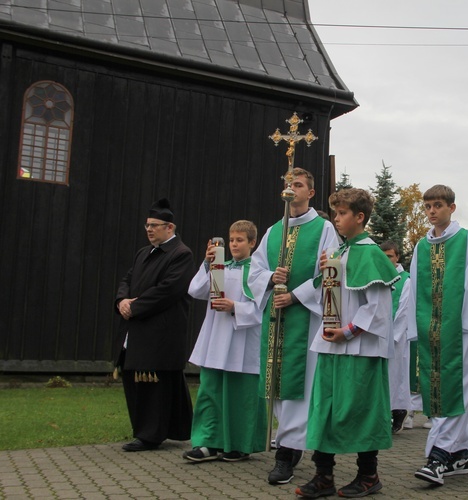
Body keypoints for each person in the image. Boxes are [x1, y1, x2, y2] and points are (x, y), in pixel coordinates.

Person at [296, 188, 399, 498]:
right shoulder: (338, 253)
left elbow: (379, 309)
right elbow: (324, 296)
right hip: (331, 346)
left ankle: (369, 474)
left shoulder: (371, 254)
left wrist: (348, 331)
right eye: (336, 213)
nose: (337, 219)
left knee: (359, 410)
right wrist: (327, 270)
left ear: (360, 217)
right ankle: (323, 475)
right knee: (324, 409)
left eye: (341, 214)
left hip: (360, 349)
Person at [248, 168, 339, 485]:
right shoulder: (273, 231)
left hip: (306, 320)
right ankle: (290, 443)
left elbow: (331, 271)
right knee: (277, 387)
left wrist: (297, 296)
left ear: (310, 193)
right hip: (275, 320)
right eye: (288, 184)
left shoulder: (324, 228)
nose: (292, 189)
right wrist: (271, 279)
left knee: (300, 390)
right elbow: (255, 271)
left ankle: (286, 453)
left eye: (298, 185)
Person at [409, 185, 468, 486]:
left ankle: (439, 456)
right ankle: (458, 456)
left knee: (458, 387)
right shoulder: (421, 245)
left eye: (438, 205)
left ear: (451, 208)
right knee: (438, 387)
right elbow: (415, 286)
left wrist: (464, 324)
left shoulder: (467, 239)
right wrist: (414, 326)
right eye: (428, 206)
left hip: (461, 330)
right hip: (431, 328)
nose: (432, 211)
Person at [182, 221, 267, 463]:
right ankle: (208, 442)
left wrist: (234, 307)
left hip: (242, 340)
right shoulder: (220, 267)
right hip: (215, 338)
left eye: (240, 240)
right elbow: (195, 290)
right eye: (231, 241)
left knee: (241, 395)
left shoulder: (259, 272)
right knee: (211, 391)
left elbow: (263, 309)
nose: (234, 245)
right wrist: (207, 263)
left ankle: (239, 445)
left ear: (252, 243)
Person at [114, 198, 194, 452]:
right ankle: (153, 430)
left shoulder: (181, 254)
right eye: (147, 225)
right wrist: (122, 301)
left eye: (154, 225)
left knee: (155, 385)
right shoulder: (143, 253)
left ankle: (150, 436)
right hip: (138, 328)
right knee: (137, 383)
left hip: (161, 331)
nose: (149, 229)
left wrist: (135, 307)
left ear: (169, 228)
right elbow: (127, 278)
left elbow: (168, 290)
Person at [380, 241, 413, 434]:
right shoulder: (379, 276)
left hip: (396, 338)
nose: (386, 260)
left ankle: (397, 412)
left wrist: (394, 336)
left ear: (397, 257)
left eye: (390, 256)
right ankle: (389, 413)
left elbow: (404, 310)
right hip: (378, 335)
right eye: (383, 256)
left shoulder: (405, 280)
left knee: (396, 375)